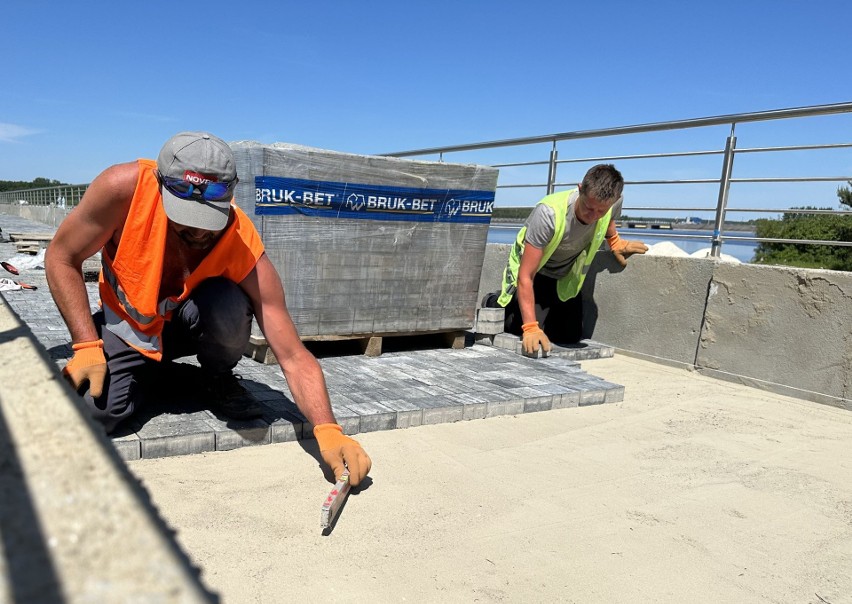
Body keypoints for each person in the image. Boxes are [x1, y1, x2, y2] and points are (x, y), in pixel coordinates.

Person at [45, 131, 371, 485]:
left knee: (228, 302)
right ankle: (153, 375)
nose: (199, 231)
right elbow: (62, 257)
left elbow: (292, 355)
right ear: (160, 186)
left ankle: (215, 378)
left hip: (190, 325)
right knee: (94, 413)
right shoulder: (122, 190)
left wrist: (327, 429)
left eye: (209, 219)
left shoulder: (242, 241)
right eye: (186, 217)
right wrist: (86, 345)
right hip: (129, 329)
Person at [482, 164, 647, 356]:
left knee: (569, 337)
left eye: (601, 211)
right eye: (588, 207)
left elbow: (609, 216)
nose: (593, 216)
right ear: (580, 189)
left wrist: (614, 240)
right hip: (535, 273)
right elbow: (525, 275)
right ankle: (495, 302)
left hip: (563, 277)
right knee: (522, 329)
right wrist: (530, 328)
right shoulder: (548, 213)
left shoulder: (613, 202)